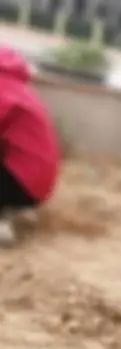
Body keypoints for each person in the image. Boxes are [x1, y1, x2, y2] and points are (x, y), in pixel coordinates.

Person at [0, 47, 59, 245]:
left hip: (23, 181)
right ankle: (12, 212)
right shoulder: (18, 89)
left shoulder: (3, 88)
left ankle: (3, 227)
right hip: (35, 183)